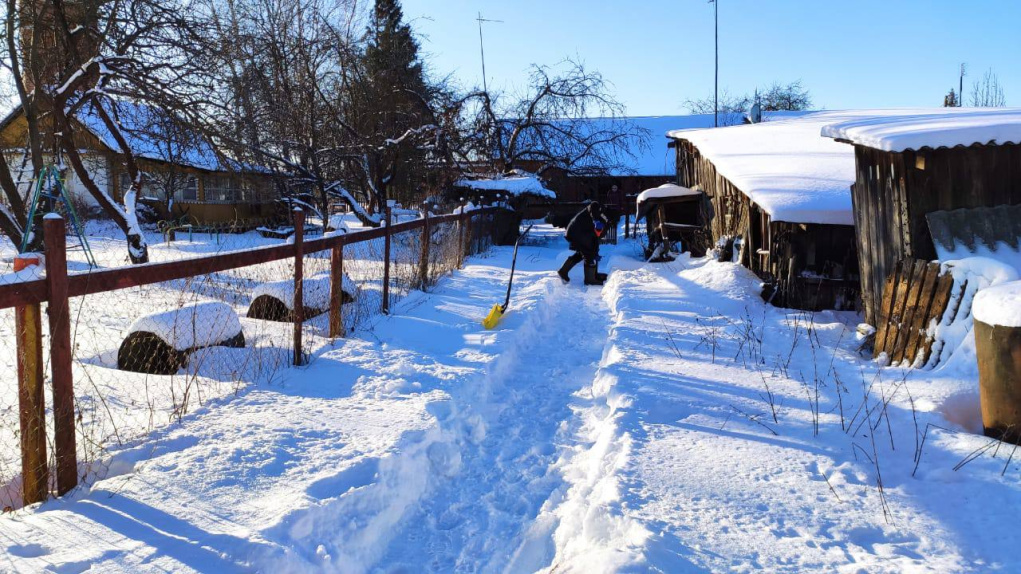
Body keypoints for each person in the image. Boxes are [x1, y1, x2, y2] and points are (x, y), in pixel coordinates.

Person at [558, 201, 609, 286]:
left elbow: (595, 238)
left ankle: (564, 271)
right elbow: (592, 207)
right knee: (588, 253)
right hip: (577, 232)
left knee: (585, 252)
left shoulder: (605, 222)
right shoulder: (597, 206)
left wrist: (595, 252)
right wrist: (596, 220)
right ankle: (589, 280)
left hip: (581, 233)